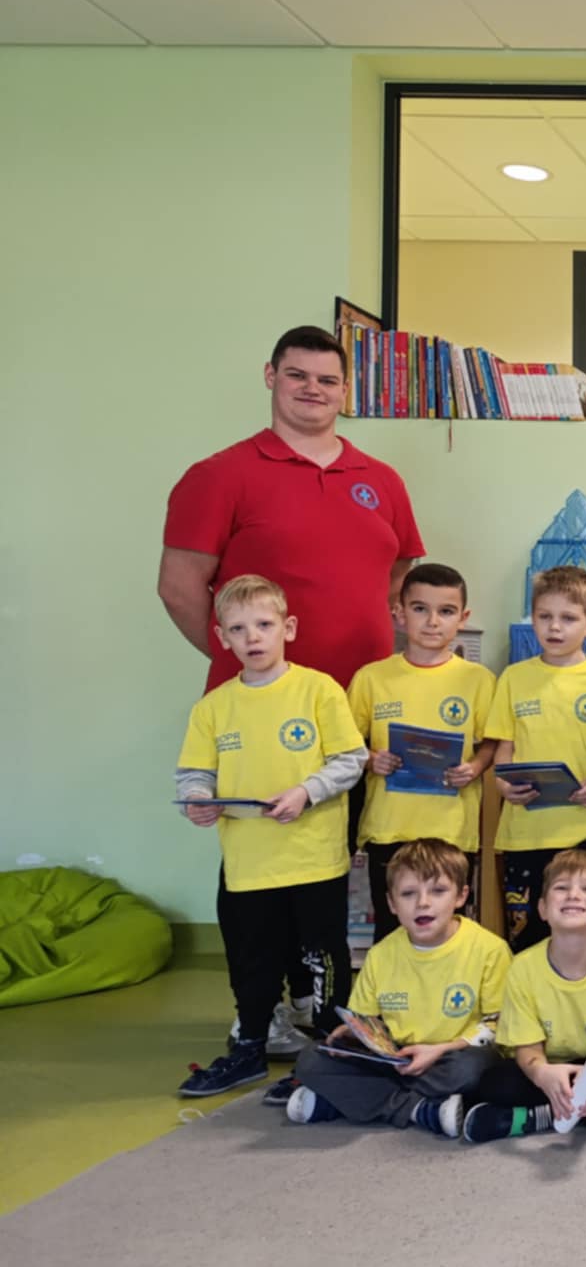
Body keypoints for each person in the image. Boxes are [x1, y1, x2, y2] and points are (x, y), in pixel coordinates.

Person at [160, 324, 424, 1051]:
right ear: (270, 376)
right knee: (260, 868)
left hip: (357, 716)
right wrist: (258, 672)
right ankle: (262, 1008)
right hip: (263, 719)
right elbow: (180, 587)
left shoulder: (381, 479)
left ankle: (326, 1001)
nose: (313, 389)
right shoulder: (219, 475)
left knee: (333, 867)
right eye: (298, 375)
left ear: (346, 390)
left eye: (328, 379)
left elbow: (399, 579)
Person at [174, 574, 367, 1098]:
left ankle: (332, 1047)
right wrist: (198, 799)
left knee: (323, 957)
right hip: (248, 863)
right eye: (238, 629)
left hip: (314, 857)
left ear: (289, 628)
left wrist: (306, 792)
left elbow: (351, 759)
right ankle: (250, 1048)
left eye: (263, 624)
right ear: (222, 637)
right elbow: (194, 773)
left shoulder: (319, 689)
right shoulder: (213, 707)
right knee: (252, 959)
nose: (253, 637)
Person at [285, 837, 506, 1137]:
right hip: (396, 1059)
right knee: (312, 1059)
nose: (423, 902)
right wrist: (354, 1034)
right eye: (408, 893)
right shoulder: (381, 954)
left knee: (476, 1069)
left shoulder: (490, 950)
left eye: (438, 891)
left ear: (461, 896)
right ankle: (418, 1108)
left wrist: (441, 1049)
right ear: (391, 903)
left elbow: (497, 1025)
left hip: (450, 1056)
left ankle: (351, 1102)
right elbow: (368, 1019)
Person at [461, 848, 586, 1144]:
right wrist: (543, 1075)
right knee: (494, 1082)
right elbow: (527, 1050)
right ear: (543, 908)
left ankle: (539, 1117)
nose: (573, 895)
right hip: (547, 1067)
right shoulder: (522, 968)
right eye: (561, 888)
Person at [349, 562, 497, 942]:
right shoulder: (371, 678)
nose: (433, 621)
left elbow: (491, 742)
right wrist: (372, 759)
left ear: (462, 618)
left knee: (449, 934)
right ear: (399, 614)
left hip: (451, 831)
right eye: (420, 609)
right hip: (389, 828)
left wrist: (475, 767)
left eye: (446, 611)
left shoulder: (479, 680)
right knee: (391, 933)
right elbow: (347, 745)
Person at [482, 564, 586, 952]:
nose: (554, 627)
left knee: (585, 938)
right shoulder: (513, 678)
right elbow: (504, 749)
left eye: (568, 618)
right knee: (526, 937)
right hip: (526, 832)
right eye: (544, 616)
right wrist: (504, 783)